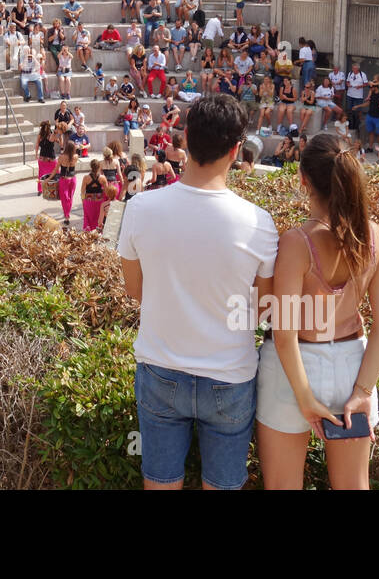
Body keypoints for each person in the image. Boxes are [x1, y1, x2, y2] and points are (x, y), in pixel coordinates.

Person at [118, 94, 279, 490]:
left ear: (184, 138)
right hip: (230, 376)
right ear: (237, 149)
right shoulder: (259, 223)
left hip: (160, 370)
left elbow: (135, 292)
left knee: (159, 482)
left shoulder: (140, 208)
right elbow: (261, 309)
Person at [256, 133, 379, 490]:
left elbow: (285, 333)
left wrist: (305, 398)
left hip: (292, 375)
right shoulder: (373, 237)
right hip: (353, 365)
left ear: (303, 179)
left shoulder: (296, 242)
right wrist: (364, 390)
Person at [54, 140, 79, 227]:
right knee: (70, 198)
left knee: (65, 199)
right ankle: (67, 215)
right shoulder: (76, 156)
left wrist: (49, 178)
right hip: (73, 179)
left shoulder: (61, 157)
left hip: (64, 179)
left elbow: (56, 169)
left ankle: (66, 216)